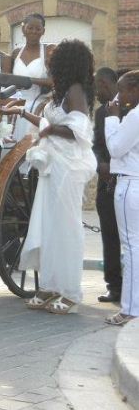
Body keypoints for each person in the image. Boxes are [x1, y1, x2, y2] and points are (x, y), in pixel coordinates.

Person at [0, 39, 97, 315]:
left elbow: (79, 130)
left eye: (54, 58)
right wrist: (20, 112)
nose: (49, 61)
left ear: (67, 62)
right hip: (54, 165)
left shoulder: (75, 90)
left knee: (66, 228)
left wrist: (49, 131)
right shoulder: (62, 91)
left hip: (68, 167)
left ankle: (70, 291)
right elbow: (49, 124)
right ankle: (51, 286)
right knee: (48, 226)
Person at [104, 70, 139, 325]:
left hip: (129, 185)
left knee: (130, 248)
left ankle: (129, 309)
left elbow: (115, 147)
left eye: (123, 89)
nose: (118, 96)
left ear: (135, 90)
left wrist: (112, 119)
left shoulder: (135, 116)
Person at [93, 67, 122, 303]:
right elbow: (95, 144)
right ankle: (114, 286)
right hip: (106, 184)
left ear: (107, 83)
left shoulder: (130, 108)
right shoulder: (100, 113)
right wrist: (100, 164)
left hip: (127, 179)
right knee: (110, 237)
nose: (95, 91)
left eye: (97, 86)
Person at [11, 13, 55, 141]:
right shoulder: (15, 53)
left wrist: (29, 81)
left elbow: (54, 81)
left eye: (38, 29)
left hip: (38, 104)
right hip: (16, 101)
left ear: (43, 31)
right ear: (23, 29)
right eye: (30, 28)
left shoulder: (48, 51)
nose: (34, 32)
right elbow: (8, 80)